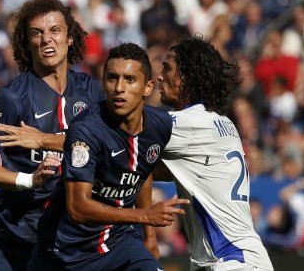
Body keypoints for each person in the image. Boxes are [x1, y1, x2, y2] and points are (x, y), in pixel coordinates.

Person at [0, 0, 105, 270]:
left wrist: (45, 141)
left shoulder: (91, 91)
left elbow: (109, 147)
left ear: (70, 37)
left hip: (65, 238)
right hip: (10, 241)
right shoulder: (11, 98)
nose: (46, 39)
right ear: (27, 42)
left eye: (55, 30)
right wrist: (30, 180)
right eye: (37, 33)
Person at [27, 43, 190, 270]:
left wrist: (149, 237)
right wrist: (144, 216)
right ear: (103, 83)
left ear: (148, 87)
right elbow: (78, 207)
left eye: (130, 79)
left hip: (121, 242)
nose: (119, 88)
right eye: (112, 78)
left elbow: (142, 172)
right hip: (67, 253)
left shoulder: (160, 125)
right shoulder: (86, 130)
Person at [154, 36, 274, 271]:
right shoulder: (220, 122)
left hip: (233, 260)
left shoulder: (187, 123)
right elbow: (147, 168)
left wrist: (67, 144)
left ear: (186, 77)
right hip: (236, 259)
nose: (159, 75)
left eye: (167, 68)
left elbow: (121, 141)